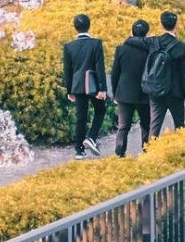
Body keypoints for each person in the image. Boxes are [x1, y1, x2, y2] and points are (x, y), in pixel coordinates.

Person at [62, 13, 108, 158]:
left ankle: (79, 150)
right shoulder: (96, 43)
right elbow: (100, 67)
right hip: (93, 85)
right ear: (89, 26)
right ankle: (91, 137)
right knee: (100, 111)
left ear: (75, 28)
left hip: (77, 85)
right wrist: (102, 88)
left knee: (80, 117)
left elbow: (67, 70)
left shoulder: (69, 46)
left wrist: (69, 90)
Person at [146, 10, 185, 139]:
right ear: (176, 25)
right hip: (175, 93)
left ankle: (150, 152)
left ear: (161, 25)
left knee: (154, 126)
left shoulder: (153, 43)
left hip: (156, 91)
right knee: (179, 125)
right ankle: (179, 152)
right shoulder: (182, 47)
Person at [110, 19, 152, 157]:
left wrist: (115, 93)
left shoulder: (121, 49)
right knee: (146, 124)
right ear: (146, 33)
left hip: (124, 93)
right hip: (144, 93)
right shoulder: (150, 50)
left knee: (123, 126)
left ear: (132, 31)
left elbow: (115, 73)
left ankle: (120, 153)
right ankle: (147, 150)